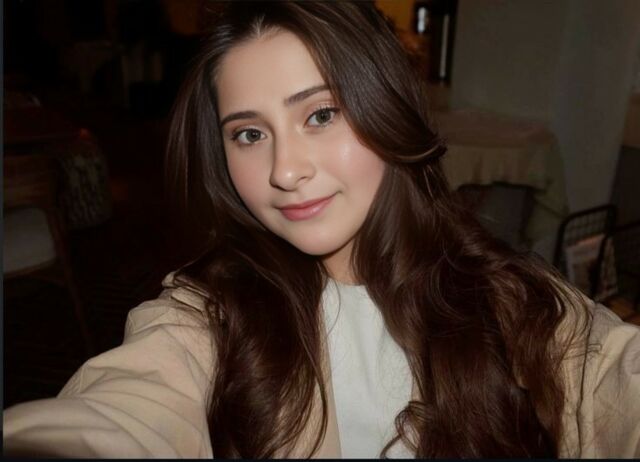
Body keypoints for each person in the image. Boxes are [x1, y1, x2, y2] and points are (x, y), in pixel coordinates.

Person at [3, 1, 639, 458]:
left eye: (321, 114)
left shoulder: (506, 296)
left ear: (386, 108)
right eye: (249, 134)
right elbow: (125, 406)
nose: (284, 170)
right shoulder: (207, 313)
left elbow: (614, 378)